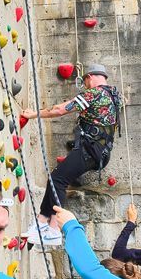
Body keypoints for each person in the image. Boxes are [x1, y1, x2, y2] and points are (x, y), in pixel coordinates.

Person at [21, 64, 122, 246]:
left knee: (58, 180)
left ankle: (53, 229)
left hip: (89, 150)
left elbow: (60, 110)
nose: (85, 86)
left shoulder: (94, 94)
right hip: (100, 152)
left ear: (89, 77)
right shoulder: (115, 97)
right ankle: (41, 223)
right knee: (56, 178)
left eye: (85, 82)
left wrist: (33, 114)